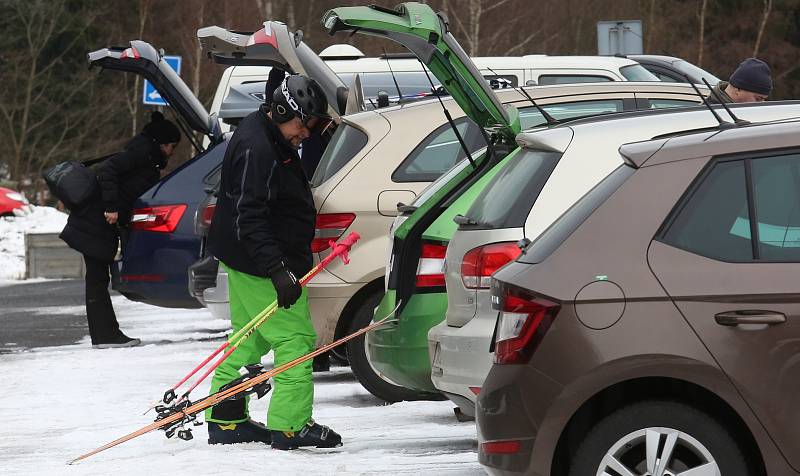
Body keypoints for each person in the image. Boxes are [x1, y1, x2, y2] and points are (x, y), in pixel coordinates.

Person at [205, 74, 341, 450]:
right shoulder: (258, 148)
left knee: (250, 337)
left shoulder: (265, 133)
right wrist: (278, 270)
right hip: (262, 261)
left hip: (248, 258)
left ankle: (225, 419)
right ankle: (291, 426)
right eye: (303, 124)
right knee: (295, 339)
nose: (306, 134)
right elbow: (249, 216)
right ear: (283, 111)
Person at [60, 111, 180, 349]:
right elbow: (107, 170)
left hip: (97, 221)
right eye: (172, 146)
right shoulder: (141, 154)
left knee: (97, 278)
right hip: (95, 221)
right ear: (163, 143)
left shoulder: (145, 155)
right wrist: (112, 207)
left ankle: (105, 335)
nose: (172, 152)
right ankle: (105, 336)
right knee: (96, 279)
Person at [708, 57, 772, 104]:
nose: (761, 104)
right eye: (758, 99)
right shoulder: (708, 115)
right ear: (738, 89)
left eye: (763, 100)